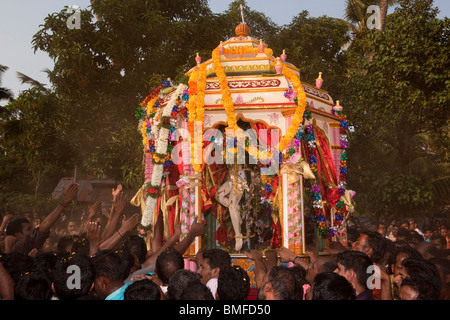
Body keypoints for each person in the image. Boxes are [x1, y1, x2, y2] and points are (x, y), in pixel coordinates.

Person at [6, 183, 79, 255]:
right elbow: (44, 227)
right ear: (18, 235)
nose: (33, 230)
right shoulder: (20, 246)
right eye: (28, 229)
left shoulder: (18, 250)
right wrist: (64, 202)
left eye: (31, 228)